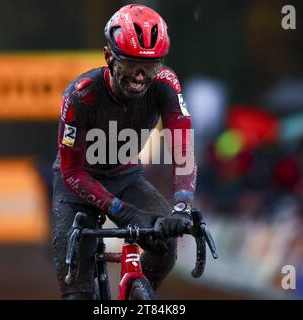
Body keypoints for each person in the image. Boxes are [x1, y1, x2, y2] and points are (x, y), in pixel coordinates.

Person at [51, 4, 197, 300]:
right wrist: (125, 212)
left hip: (126, 176)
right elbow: (71, 172)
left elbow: (183, 147)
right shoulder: (81, 95)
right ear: (108, 57)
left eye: (151, 66)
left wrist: (182, 204)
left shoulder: (166, 85)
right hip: (77, 186)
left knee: (165, 247)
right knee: (77, 292)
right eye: (131, 65)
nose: (141, 76)